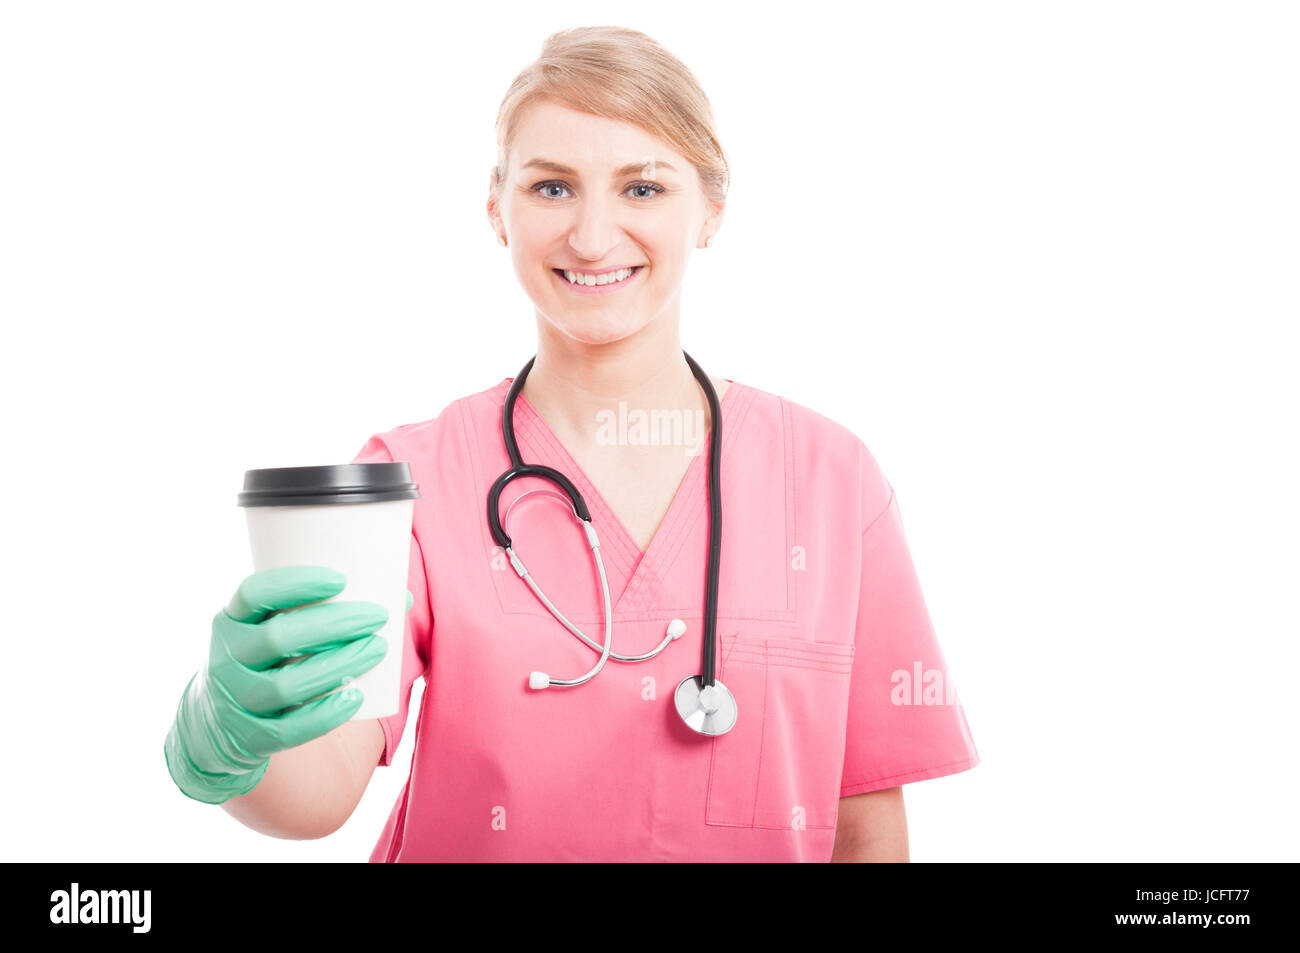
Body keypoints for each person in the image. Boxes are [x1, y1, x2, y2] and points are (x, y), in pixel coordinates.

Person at [165, 25, 979, 862]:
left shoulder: (832, 481)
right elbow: (323, 785)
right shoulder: (408, 483)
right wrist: (231, 734)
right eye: (552, 188)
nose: (593, 237)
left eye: (644, 188)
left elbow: (865, 824)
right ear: (497, 209)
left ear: (711, 211)